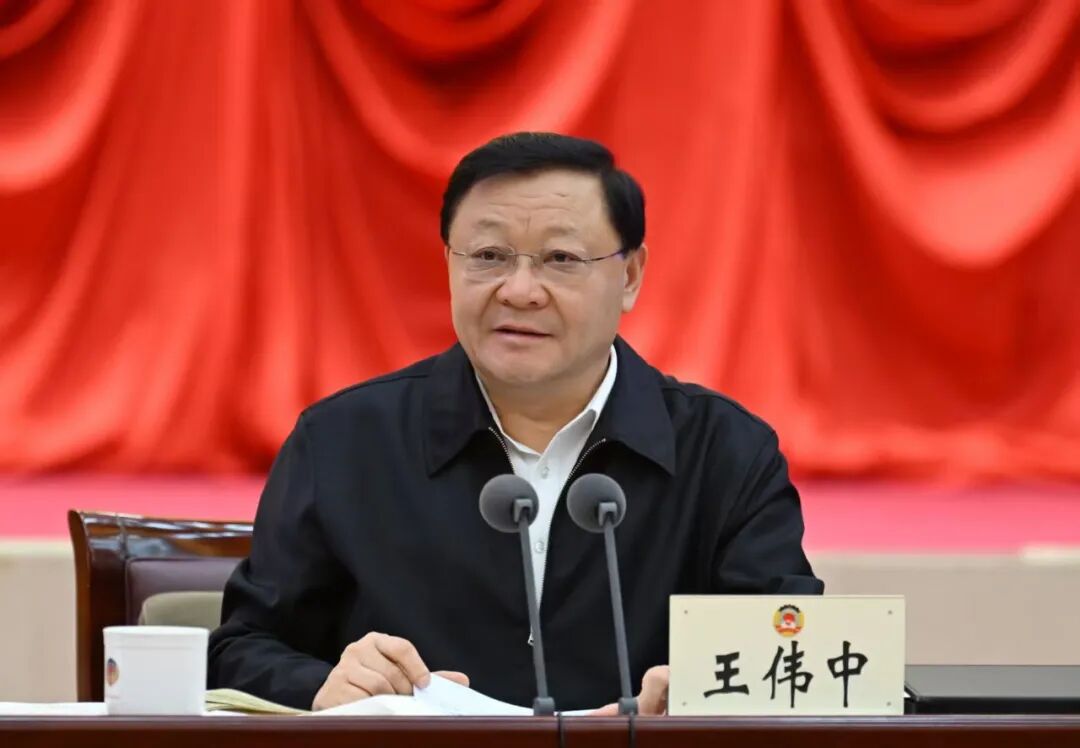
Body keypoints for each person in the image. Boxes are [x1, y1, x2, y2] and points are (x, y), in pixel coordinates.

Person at [208, 132, 823, 714]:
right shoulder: (344, 442)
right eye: (489, 256)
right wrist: (323, 685)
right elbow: (239, 650)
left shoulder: (725, 451)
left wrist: (701, 697)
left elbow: (797, 656)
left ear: (630, 276)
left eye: (561, 258)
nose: (520, 290)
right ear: (449, 263)